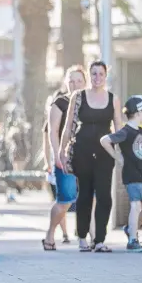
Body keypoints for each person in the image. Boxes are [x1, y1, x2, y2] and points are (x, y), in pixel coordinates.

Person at [59, 61, 123, 253]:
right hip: (82, 150)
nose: (97, 78)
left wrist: (121, 152)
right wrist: (62, 151)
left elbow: (119, 127)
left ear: (106, 76)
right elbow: (69, 125)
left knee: (104, 196)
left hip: (105, 152)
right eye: (93, 74)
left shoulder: (113, 99)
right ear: (89, 75)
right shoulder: (78, 97)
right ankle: (82, 237)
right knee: (85, 194)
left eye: (100, 74)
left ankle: (100, 240)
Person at [100, 95, 142, 252]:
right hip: (132, 176)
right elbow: (105, 140)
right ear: (138, 113)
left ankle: (130, 229)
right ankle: (132, 240)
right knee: (136, 206)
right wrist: (117, 156)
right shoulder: (125, 132)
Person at [42, 65, 87, 250]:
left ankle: (85, 237)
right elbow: (52, 132)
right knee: (65, 200)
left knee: (88, 198)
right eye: (71, 80)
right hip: (65, 157)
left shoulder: (89, 102)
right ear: (65, 82)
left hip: (86, 156)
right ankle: (50, 234)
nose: (75, 84)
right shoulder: (60, 102)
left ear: (85, 83)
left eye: (79, 81)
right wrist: (56, 155)